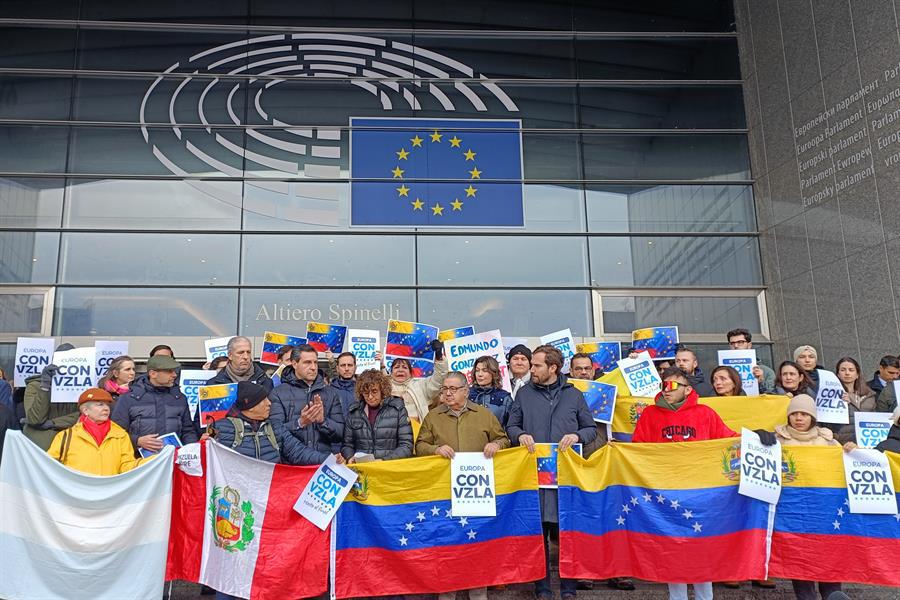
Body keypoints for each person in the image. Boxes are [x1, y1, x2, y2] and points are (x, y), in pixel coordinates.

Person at [632, 368, 776, 600]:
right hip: (665, 492)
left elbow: (727, 439)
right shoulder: (650, 414)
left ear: (688, 389)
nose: (666, 390)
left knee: (701, 549)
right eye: (663, 386)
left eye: (672, 386)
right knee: (673, 549)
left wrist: (754, 436)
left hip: (701, 493)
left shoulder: (705, 413)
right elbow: (638, 449)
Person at [506, 345, 597, 600]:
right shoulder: (523, 394)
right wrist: (520, 434)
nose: (531, 370)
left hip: (566, 479)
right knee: (539, 537)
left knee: (566, 536)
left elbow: (589, 428)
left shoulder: (574, 395)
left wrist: (576, 434)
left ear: (553, 368)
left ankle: (568, 589)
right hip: (533, 478)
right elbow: (511, 426)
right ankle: (543, 589)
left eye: (536, 365)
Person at [415, 371, 510, 600]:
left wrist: (496, 444)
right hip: (445, 495)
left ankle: (478, 595)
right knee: (447, 550)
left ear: (465, 391)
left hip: (476, 496)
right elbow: (419, 445)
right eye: (444, 389)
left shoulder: (484, 415)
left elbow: (505, 439)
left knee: (476, 550)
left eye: (452, 389)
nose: (447, 393)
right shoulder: (433, 416)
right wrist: (435, 449)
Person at [770, 394, 843, 600]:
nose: (799, 418)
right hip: (793, 512)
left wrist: (852, 450)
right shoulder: (777, 441)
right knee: (800, 561)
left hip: (824, 511)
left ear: (812, 417)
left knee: (828, 559)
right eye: (794, 414)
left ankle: (833, 595)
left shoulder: (829, 442)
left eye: (803, 414)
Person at [211, 381, 324, 465]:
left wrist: (328, 460)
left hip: (270, 491)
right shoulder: (217, 428)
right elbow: (203, 457)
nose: (269, 403)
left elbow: (299, 452)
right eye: (263, 400)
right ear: (250, 406)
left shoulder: (275, 427)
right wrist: (202, 444)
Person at [111, 354, 199, 456]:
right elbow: (116, 432)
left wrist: (191, 452)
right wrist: (137, 441)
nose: (174, 375)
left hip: (174, 461)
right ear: (153, 374)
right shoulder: (128, 398)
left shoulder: (180, 398)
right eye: (169, 371)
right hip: (139, 462)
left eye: (174, 371)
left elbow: (188, 431)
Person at [47, 388, 147, 476]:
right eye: (100, 405)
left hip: (108, 493)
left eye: (107, 405)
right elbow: (49, 467)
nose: (106, 408)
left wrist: (152, 462)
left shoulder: (121, 435)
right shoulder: (65, 436)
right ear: (85, 410)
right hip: (77, 494)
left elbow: (126, 467)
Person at [269, 344, 344, 460]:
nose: (313, 367)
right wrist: (300, 423)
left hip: (322, 464)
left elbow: (341, 434)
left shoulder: (330, 393)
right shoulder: (278, 393)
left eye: (315, 362)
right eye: (307, 362)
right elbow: (274, 433)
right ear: (294, 364)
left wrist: (323, 422)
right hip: (291, 466)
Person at [341, 369, 413, 462]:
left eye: (374, 391)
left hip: (389, 469)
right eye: (366, 393)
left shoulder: (398, 409)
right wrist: (350, 457)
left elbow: (406, 446)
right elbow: (347, 445)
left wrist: (383, 460)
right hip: (362, 469)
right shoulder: (354, 412)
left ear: (382, 390)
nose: (370, 396)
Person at [23, 343, 80, 451]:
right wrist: (45, 387)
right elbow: (35, 419)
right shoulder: (35, 385)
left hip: (71, 445)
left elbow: (86, 414)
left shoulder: (82, 386)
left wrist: (53, 423)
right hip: (41, 447)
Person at [388, 340, 448, 424]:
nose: (400, 370)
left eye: (405, 367)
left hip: (418, 432)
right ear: (391, 372)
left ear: (410, 372)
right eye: (397, 367)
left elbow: (438, 379)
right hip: (391, 433)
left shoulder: (420, 385)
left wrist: (439, 356)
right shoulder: (385, 387)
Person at [205, 336, 273, 393]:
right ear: (230, 355)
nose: (246, 357)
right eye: (240, 353)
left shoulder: (265, 382)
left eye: (248, 352)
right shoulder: (213, 384)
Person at [833, 357, 876, 444]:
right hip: (840, 442)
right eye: (843, 370)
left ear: (857, 374)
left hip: (864, 442)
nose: (847, 373)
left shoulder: (869, 395)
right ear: (838, 374)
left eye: (851, 370)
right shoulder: (832, 394)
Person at [468, 355, 514, 428]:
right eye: (477, 370)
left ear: (494, 373)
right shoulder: (466, 394)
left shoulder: (505, 398)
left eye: (485, 370)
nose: (480, 374)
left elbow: (511, 426)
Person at [726, 328, 775, 393]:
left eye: (740, 342)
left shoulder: (766, 371)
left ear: (749, 345)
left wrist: (761, 381)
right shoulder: (723, 370)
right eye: (732, 343)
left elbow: (771, 396)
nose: (735, 346)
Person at [330, 352, 358, 419]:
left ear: (355, 367)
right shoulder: (329, 391)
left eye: (350, 365)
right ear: (337, 368)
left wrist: (381, 365)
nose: (346, 369)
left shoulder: (363, 390)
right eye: (343, 365)